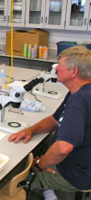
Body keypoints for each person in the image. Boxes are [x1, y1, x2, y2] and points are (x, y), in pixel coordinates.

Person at [8, 46, 91, 199]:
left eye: (61, 65)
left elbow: (63, 148)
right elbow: (54, 119)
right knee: (36, 147)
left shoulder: (79, 100)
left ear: (74, 71)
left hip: (77, 174)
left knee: (14, 179)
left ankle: (42, 187)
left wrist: (40, 165)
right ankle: (49, 192)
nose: (56, 68)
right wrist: (31, 130)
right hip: (83, 161)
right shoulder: (79, 91)